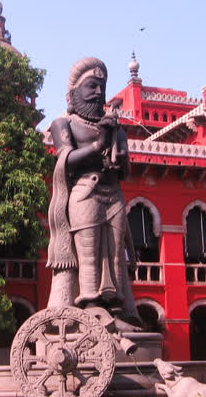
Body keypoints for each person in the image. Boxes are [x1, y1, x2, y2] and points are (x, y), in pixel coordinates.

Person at [47, 57, 141, 330]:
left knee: (114, 257)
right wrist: (100, 143)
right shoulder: (64, 124)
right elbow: (66, 159)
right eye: (92, 86)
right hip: (84, 192)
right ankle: (91, 307)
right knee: (89, 255)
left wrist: (118, 147)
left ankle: (115, 309)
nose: (99, 92)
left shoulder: (115, 127)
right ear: (73, 93)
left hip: (113, 195)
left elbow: (124, 172)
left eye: (102, 86)